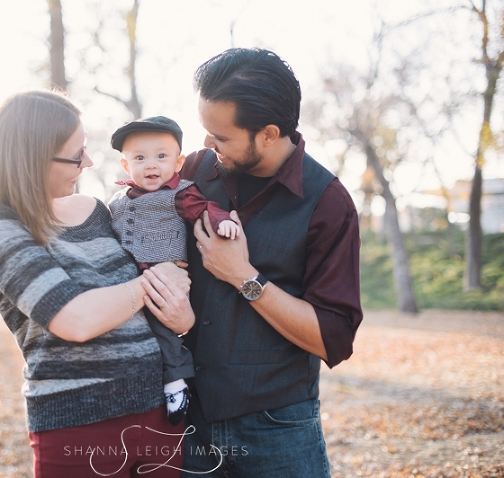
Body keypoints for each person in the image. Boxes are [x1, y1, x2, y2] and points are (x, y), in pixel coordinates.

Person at [0, 90, 195, 478]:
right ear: (34, 156)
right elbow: (75, 319)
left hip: (158, 415)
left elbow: (166, 311)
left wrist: (181, 315)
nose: (88, 163)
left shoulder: (97, 211)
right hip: (79, 425)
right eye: (77, 155)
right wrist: (151, 284)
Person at [177, 48, 364, 477]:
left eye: (220, 137)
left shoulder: (328, 203)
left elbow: (332, 338)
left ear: (267, 133)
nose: (207, 145)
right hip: (187, 422)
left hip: (277, 429)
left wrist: (243, 276)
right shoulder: (194, 171)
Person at [108, 116, 239, 426]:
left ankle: (176, 383)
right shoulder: (116, 201)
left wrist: (223, 221)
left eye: (161, 157)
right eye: (140, 158)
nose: (151, 165)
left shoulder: (181, 193)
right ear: (127, 166)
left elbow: (205, 208)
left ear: (178, 162)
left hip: (165, 274)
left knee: (161, 325)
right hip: (126, 278)